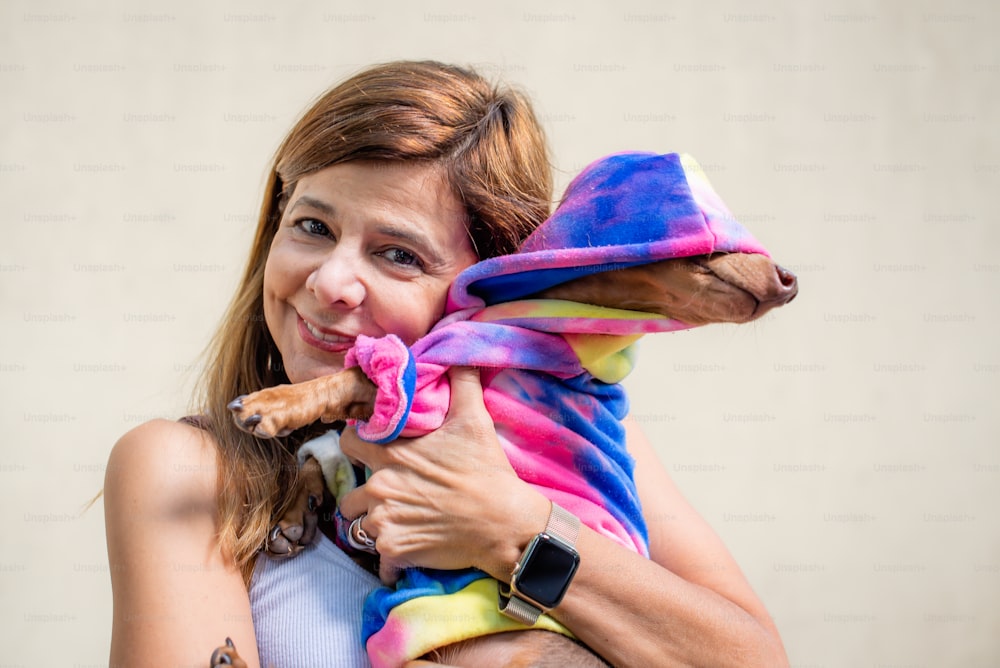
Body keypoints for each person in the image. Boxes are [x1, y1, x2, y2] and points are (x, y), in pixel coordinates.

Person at [104, 60, 789, 667]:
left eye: (398, 254)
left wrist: (511, 526)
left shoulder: (577, 432)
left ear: (491, 282)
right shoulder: (188, 470)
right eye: (313, 227)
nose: (331, 281)